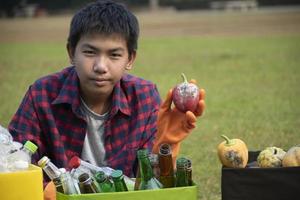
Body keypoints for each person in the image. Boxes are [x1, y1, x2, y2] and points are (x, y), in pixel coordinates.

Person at [9, 0, 205, 187]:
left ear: (130, 59)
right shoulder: (41, 95)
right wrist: (48, 191)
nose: (100, 66)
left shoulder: (143, 96)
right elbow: (14, 163)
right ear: (71, 52)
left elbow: (150, 184)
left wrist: (166, 145)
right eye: (90, 52)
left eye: (114, 55)